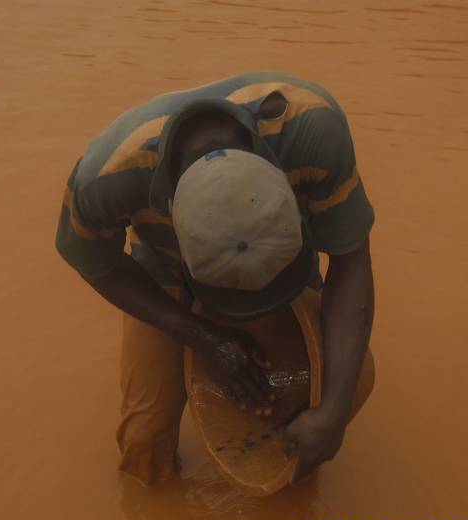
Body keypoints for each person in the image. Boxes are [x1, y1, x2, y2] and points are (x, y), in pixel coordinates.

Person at [55, 70, 375, 486]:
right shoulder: (105, 179)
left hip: (281, 263)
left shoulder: (311, 127)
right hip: (166, 280)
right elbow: (96, 264)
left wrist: (331, 414)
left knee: (308, 400)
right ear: (170, 207)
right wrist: (203, 336)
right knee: (144, 442)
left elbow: (351, 261)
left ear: (278, 172)